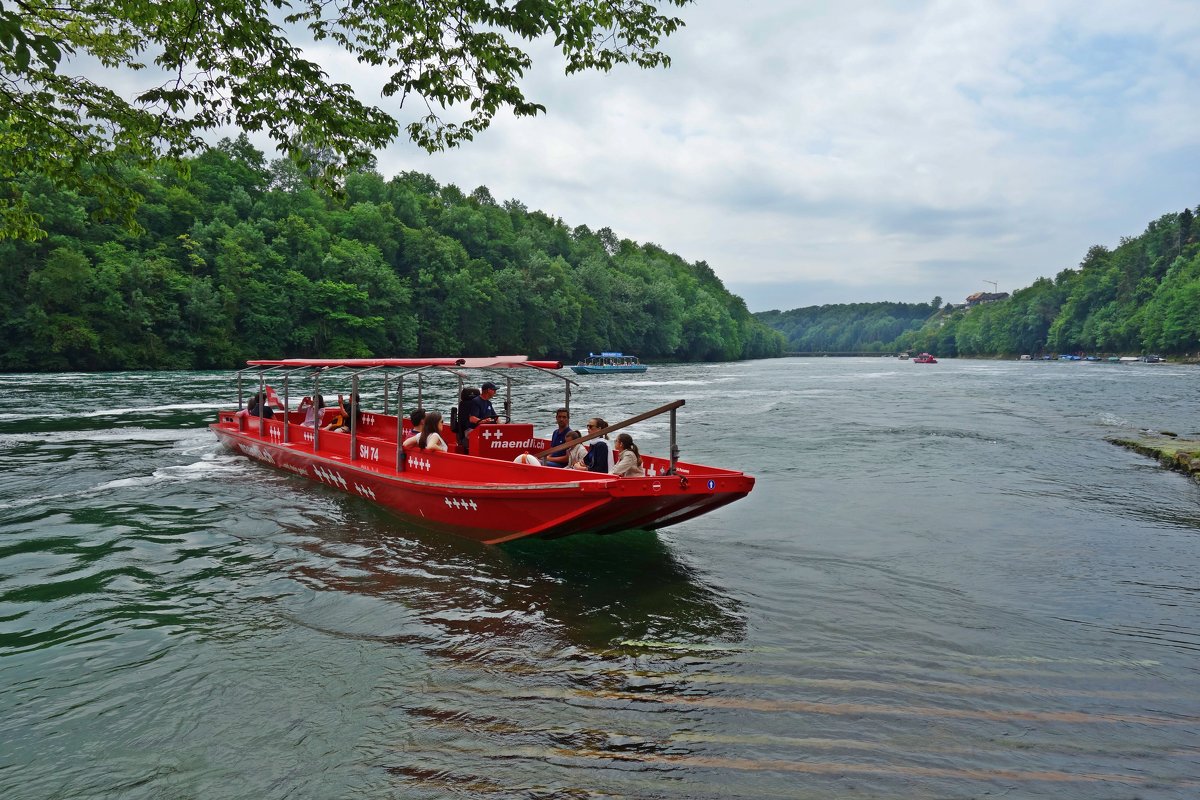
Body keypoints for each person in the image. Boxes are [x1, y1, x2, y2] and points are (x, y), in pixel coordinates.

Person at [460, 382, 499, 452]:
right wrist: (484, 421)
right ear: (488, 390)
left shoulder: (489, 403)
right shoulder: (476, 401)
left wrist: (502, 425)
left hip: (485, 430)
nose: (495, 392)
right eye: (494, 390)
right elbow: (472, 418)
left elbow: (496, 417)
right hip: (472, 430)